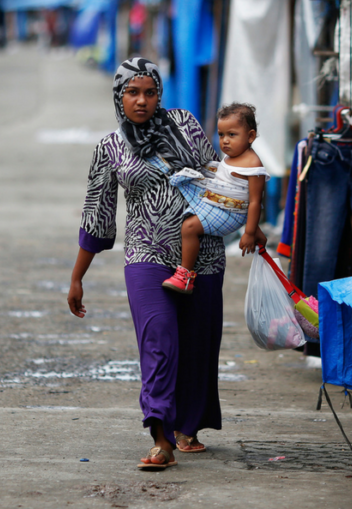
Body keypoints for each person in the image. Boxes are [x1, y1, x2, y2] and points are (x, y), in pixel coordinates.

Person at [67, 58, 266, 470]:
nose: (141, 100)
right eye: (132, 92)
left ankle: (187, 427)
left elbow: (224, 176)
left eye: (150, 92)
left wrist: (251, 221)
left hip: (204, 252)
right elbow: (97, 216)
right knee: (158, 342)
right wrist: (77, 277)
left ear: (160, 94)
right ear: (119, 96)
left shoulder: (186, 125)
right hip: (145, 254)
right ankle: (161, 439)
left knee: (197, 344)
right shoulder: (110, 148)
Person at [161, 103, 270, 294]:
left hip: (231, 212)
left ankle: (185, 275)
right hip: (226, 205)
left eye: (232, 135)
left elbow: (253, 202)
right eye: (221, 135)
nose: (225, 141)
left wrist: (249, 232)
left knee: (189, 227)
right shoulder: (231, 157)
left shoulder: (253, 165)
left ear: (250, 136)